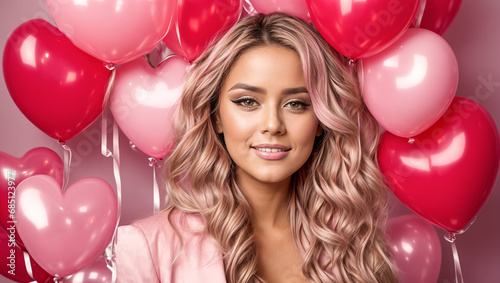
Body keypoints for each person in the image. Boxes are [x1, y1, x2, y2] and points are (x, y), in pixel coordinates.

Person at [116, 12, 398, 283]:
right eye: (248, 102)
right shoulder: (148, 246)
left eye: (296, 104)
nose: (273, 125)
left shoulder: (353, 239)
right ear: (216, 116)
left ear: (321, 120)